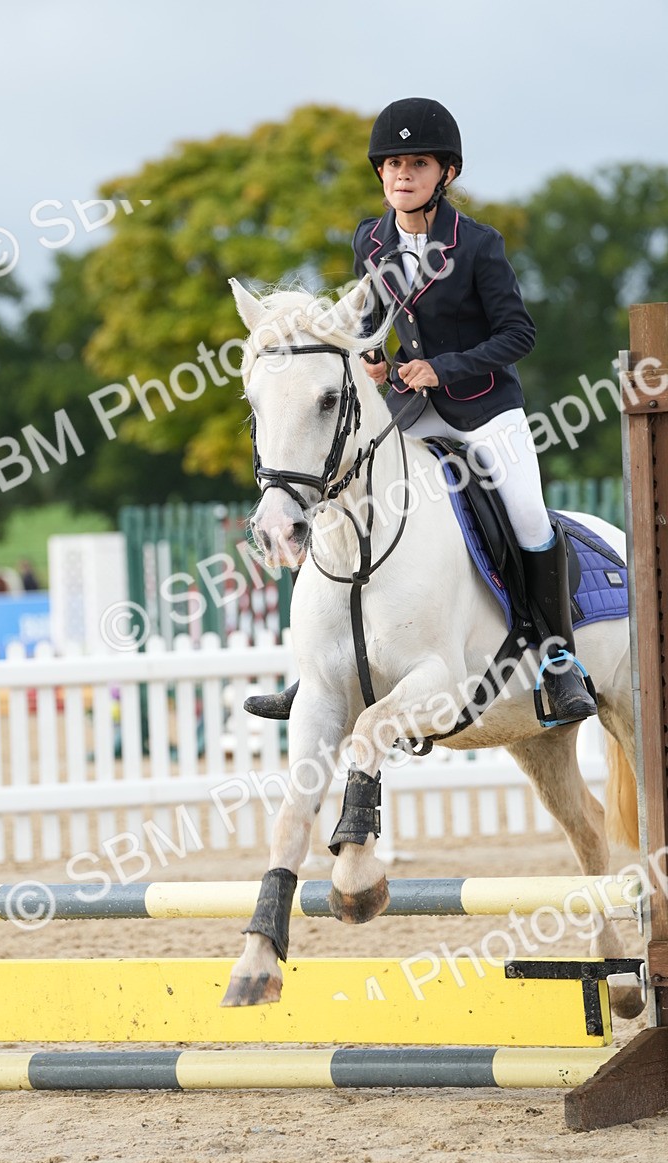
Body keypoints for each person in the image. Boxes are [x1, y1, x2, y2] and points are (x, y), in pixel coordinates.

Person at [246, 97, 596, 727]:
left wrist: (445, 366)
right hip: (412, 412)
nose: (402, 174)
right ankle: (315, 673)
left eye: (417, 163)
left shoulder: (479, 246)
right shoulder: (370, 238)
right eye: (392, 164)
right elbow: (368, 322)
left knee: (526, 516)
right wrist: (375, 362)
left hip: (486, 411)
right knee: (338, 505)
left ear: (446, 175)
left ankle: (557, 659)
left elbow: (518, 335)